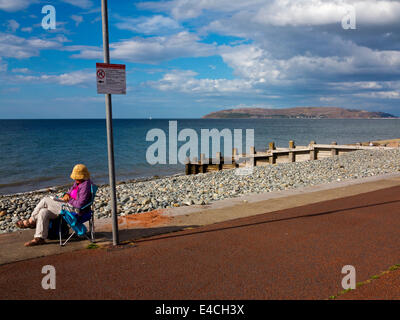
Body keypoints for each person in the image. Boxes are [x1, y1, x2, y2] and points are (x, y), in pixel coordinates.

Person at [16, 164, 93, 247]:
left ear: (82, 176)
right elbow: (70, 191)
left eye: (76, 177)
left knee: (46, 200)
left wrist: (68, 200)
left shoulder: (85, 186)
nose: (75, 179)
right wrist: (67, 195)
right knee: (43, 212)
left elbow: (80, 204)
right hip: (69, 206)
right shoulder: (79, 182)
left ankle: (31, 221)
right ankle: (39, 238)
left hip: (75, 210)